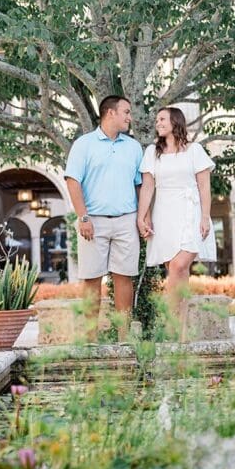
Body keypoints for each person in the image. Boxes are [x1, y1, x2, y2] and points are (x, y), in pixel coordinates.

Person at [64, 96, 143, 338]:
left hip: (127, 220)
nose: (130, 117)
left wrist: (143, 217)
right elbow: (73, 181)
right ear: (110, 113)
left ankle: (123, 338)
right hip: (93, 221)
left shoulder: (133, 147)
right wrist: (83, 217)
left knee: (124, 277)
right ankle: (90, 339)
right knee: (91, 278)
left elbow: (139, 185)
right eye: (126, 112)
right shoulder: (84, 144)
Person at [137, 106, 216, 336]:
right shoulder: (152, 152)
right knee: (177, 273)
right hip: (164, 214)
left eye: (162, 119)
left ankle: (167, 323)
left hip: (190, 212)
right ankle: (181, 333)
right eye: (157, 120)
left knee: (179, 265)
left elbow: (204, 186)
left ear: (175, 121)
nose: (158, 123)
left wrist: (205, 217)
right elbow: (147, 187)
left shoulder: (194, 150)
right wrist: (142, 217)